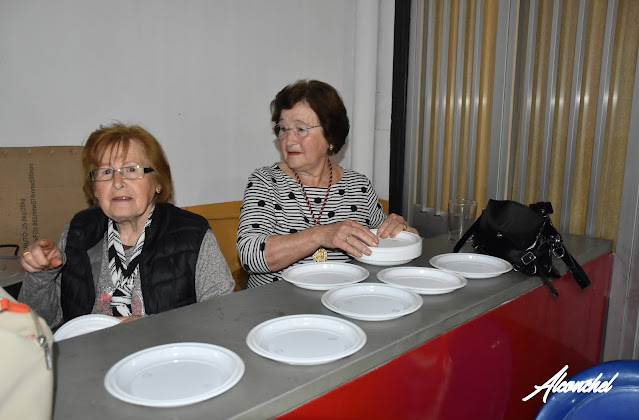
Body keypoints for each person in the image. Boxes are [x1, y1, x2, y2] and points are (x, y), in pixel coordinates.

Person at [19, 123, 234, 328]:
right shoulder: (78, 232)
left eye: (131, 169)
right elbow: (37, 323)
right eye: (106, 172)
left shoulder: (192, 234)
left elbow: (223, 317)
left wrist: (155, 329)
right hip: (87, 352)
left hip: (165, 352)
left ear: (158, 182)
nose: (117, 182)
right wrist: (42, 274)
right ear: (94, 189)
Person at [237, 80, 418, 288]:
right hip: (276, 304)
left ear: (330, 137)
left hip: (344, 300)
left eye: (300, 129)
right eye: (283, 129)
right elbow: (249, 256)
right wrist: (320, 235)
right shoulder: (266, 182)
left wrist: (402, 232)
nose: (288, 140)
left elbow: (386, 245)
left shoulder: (358, 186)